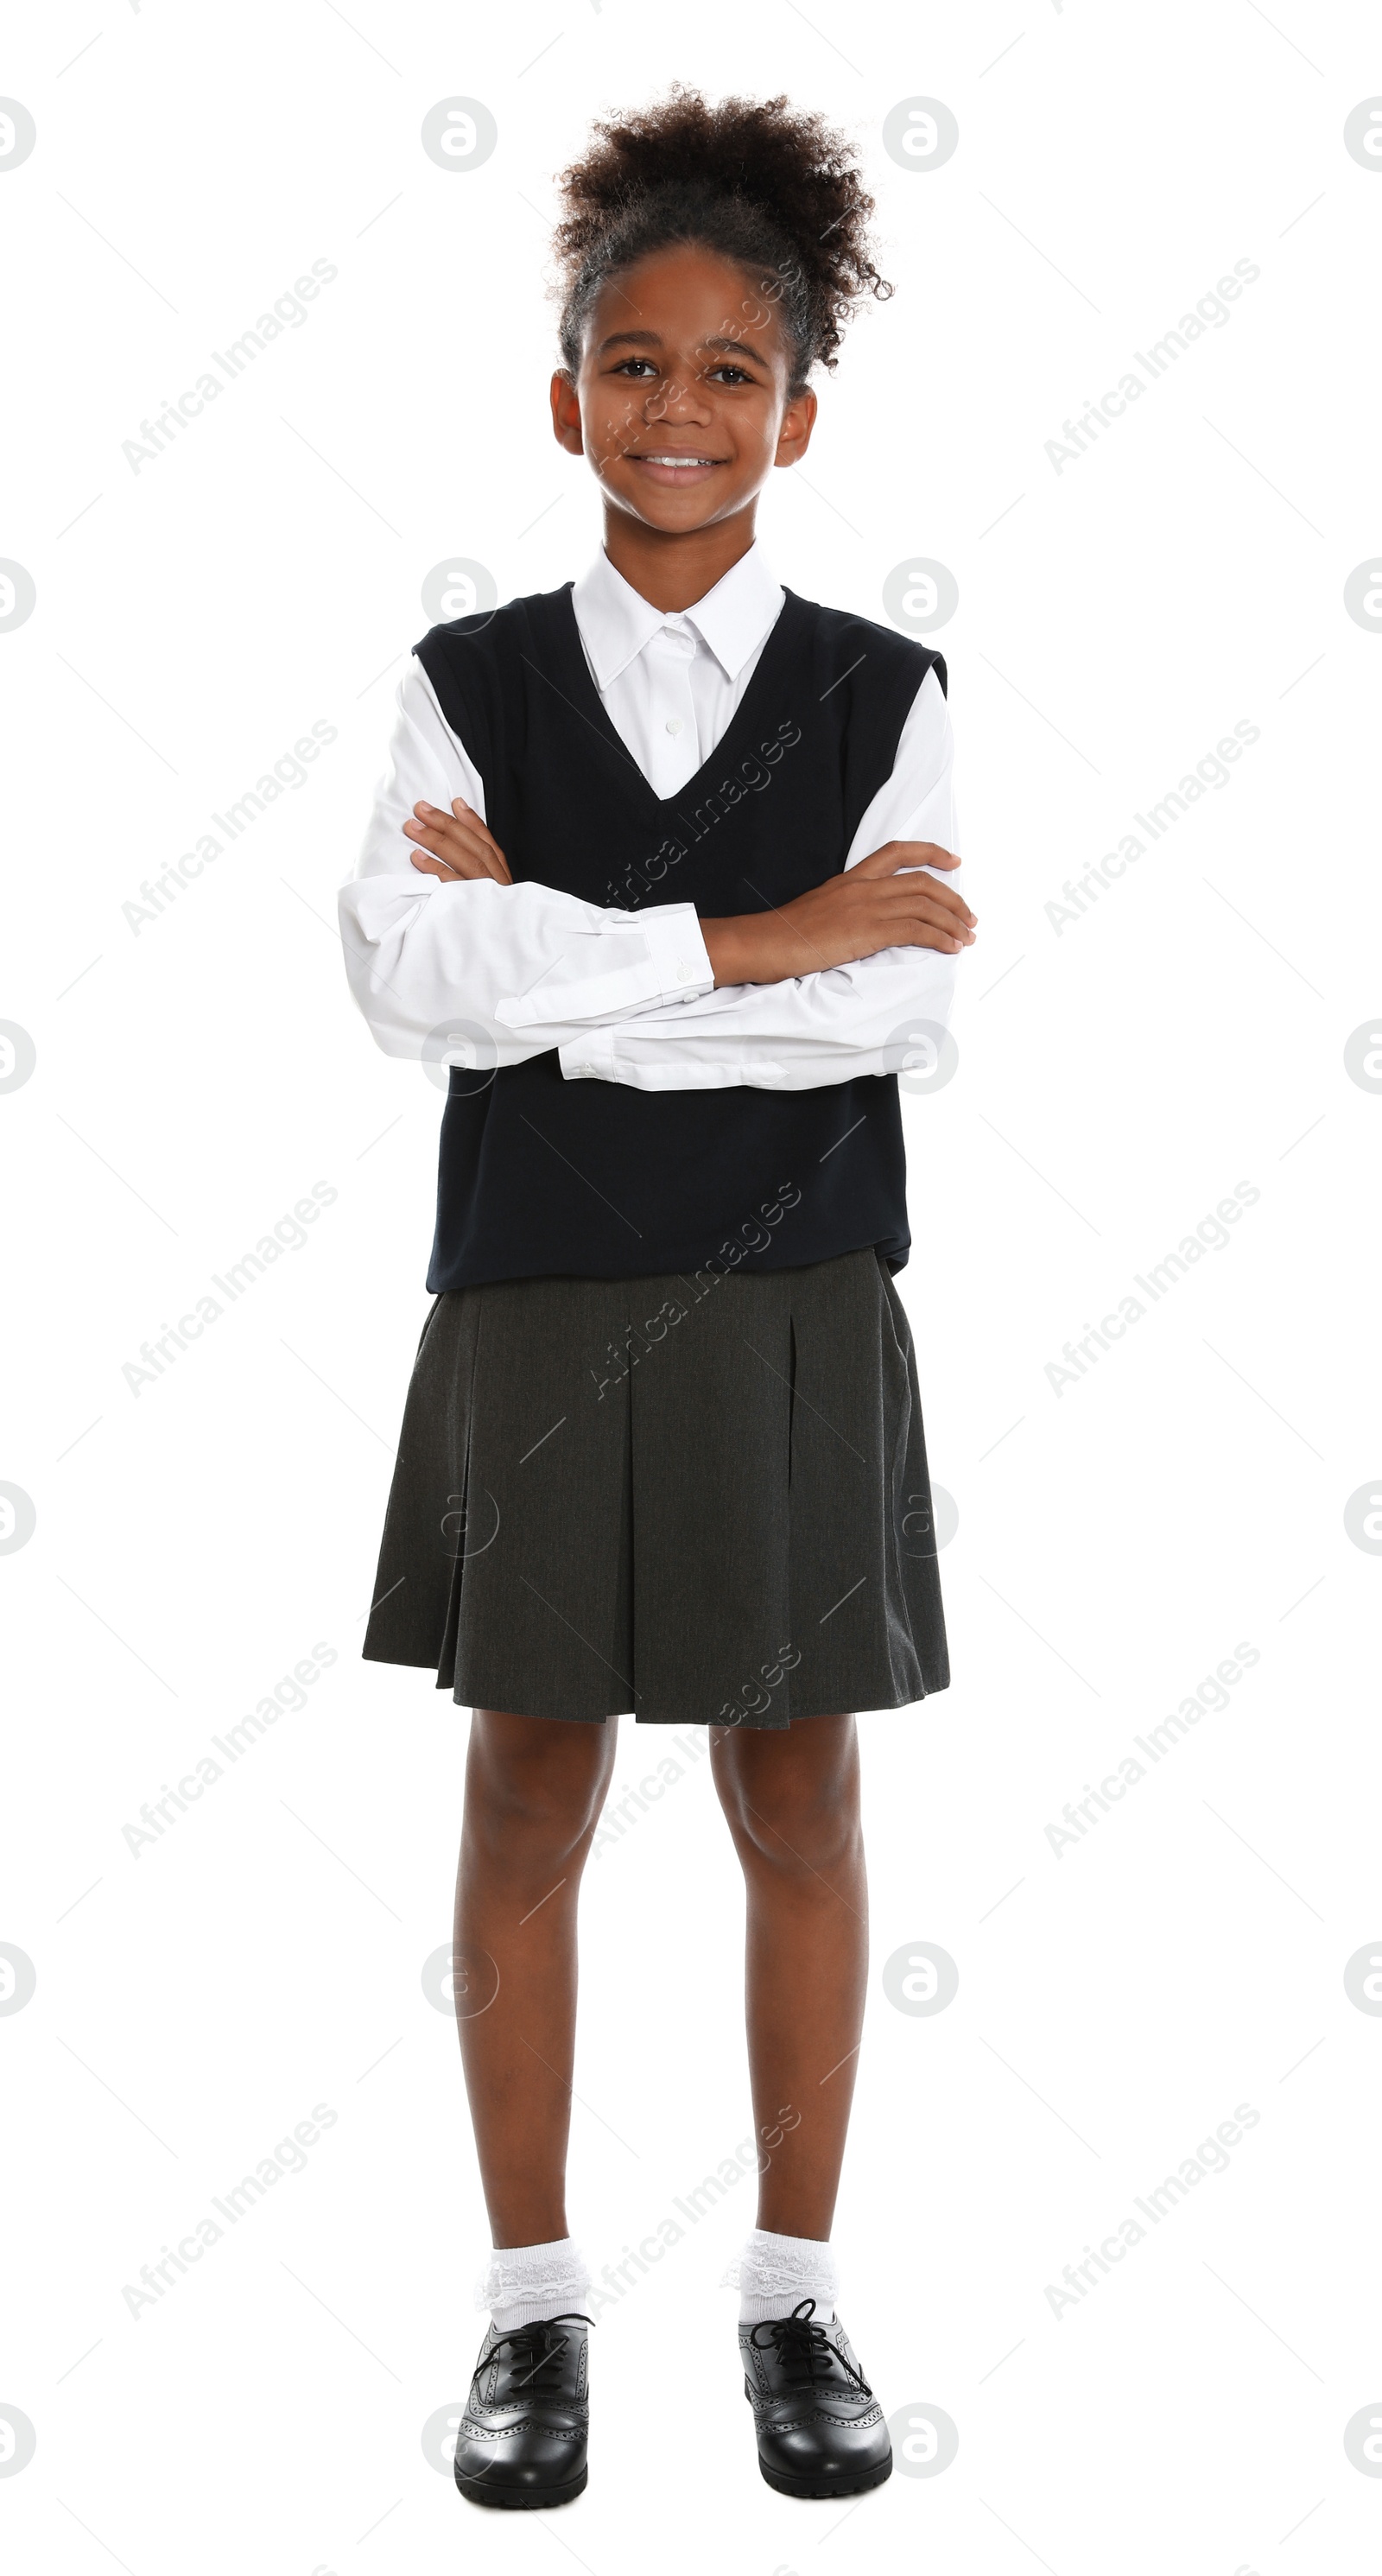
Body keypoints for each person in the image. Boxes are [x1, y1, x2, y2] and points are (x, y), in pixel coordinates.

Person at [338, 84, 976, 2510]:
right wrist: (747, 939)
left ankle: (798, 2291)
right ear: (565, 391)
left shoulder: (884, 687)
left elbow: (892, 1012)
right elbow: (409, 982)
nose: (679, 410)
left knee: (797, 1786)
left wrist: (564, 968)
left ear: (800, 411)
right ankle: (530, 2314)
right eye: (635, 362)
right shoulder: (464, 677)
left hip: (797, 1299)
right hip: (526, 1301)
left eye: (731, 372)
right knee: (523, 1781)